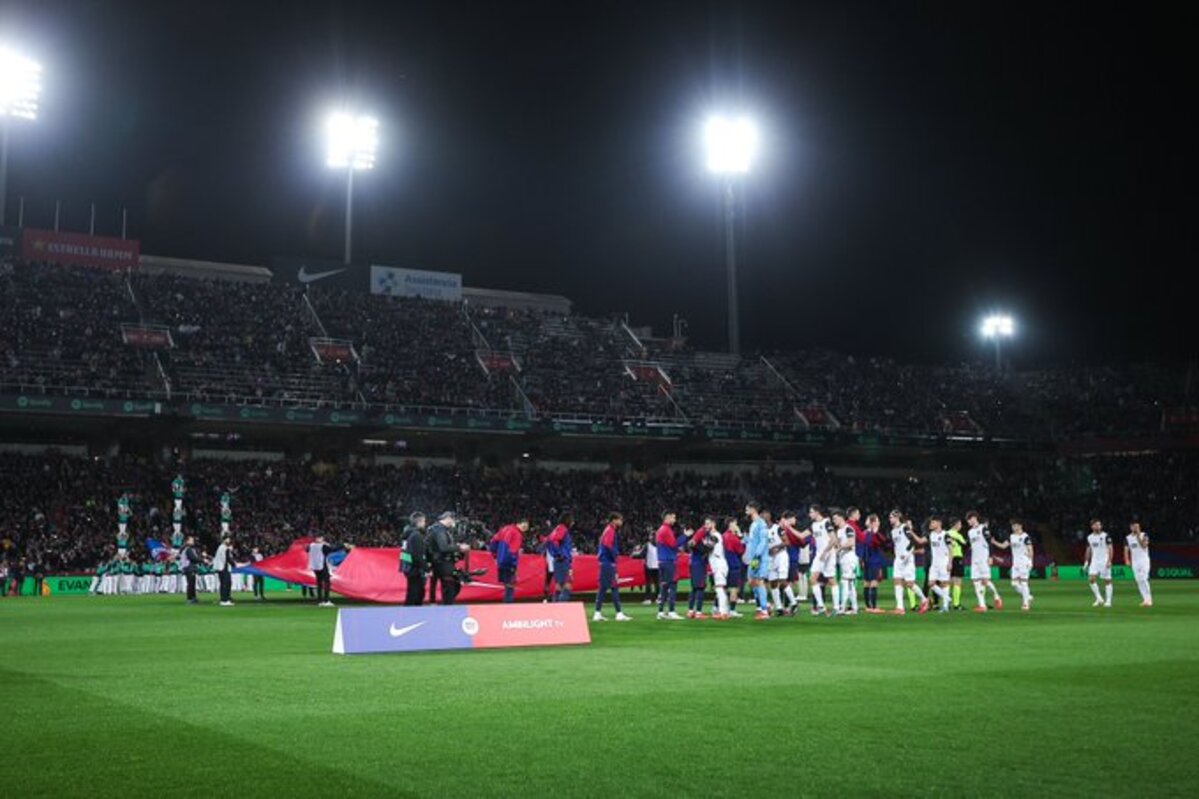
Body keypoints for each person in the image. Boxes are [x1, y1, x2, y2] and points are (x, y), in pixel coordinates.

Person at [889, 510, 930, 615]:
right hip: (898, 559)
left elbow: (912, 541)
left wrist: (906, 553)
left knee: (910, 584)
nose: (890, 519)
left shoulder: (904, 528)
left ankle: (924, 600)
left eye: (891, 517)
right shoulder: (893, 531)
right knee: (897, 581)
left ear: (897, 517)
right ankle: (900, 608)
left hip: (907, 559)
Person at [594, 512, 632, 621]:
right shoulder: (610, 530)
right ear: (614, 520)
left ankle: (597, 613)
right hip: (608, 563)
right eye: (620, 519)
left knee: (603, 588)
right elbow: (607, 544)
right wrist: (615, 555)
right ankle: (618, 613)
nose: (621, 521)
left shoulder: (608, 530)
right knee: (614, 587)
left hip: (605, 563)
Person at [990, 520, 1034, 611]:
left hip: (1024, 562)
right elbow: (1003, 546)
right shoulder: (1011, 536)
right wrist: (994, 542)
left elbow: (1030, 549)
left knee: (1024, 583)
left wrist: (1030, 561)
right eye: (1012, 526)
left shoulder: (1025, 536)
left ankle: (1025, 603)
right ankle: (1028, 596)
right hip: (1015, 563)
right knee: (1014, 584)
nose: (1013, 527)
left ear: (1020, 526)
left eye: (1015, 525)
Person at [427, 511, 468, 606]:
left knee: (447, 587)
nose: (454, 522)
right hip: (443, 564)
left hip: (438, 562)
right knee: (450, 588)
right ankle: (447, 609)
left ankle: (439, 604)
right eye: (453, 520)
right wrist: (459, 547)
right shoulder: (439, 530)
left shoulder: (436, 529)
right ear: (448, 518)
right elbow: (443, 547)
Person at [966, 511, 1003, 612]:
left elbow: (989, 543)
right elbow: (970, 546)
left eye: (969, 519)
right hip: (975, 559)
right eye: (967, 520)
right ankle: (982, 605)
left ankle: (997, 597)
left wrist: (991, 557)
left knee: (985, 581)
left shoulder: (983, 528)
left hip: (984, 558)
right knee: (976, 582)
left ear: (974, 518)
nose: (968, 521)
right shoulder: (970, 532)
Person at [489, 516, 527, 604]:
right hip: (509, 562)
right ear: (520, 523)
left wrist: (495, 556)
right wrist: (514, 564)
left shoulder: (505, 529)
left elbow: (493, 542)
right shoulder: (517, 534)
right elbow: (513, 550)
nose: (526, 528)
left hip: (501, 562)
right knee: (510, 586)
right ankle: (508, 609)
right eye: (525, 525)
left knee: (507, 585)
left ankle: (505, 607)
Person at [655, 511, 685, 620]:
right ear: (667, 518)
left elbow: (670, 546)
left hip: (662, 561)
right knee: (672, 586)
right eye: (673, 517)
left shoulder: (660, 530)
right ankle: (672, 611)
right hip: (669, 562)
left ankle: (661, 611)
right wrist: (685, 536)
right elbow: (674, 544)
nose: (675, 519)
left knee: (664, 587)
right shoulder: (666, 530)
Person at [808, 505, 837, 617]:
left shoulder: (826, 523)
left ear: (817, 512)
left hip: (828, 553)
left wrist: (825, 552)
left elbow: (833, 539)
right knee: (812, 579)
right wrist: (788, 527)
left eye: (811, 512)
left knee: (831, 580)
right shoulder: (813, 525)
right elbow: (801, 535)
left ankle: (836, 608)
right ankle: (821, 606)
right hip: (819, 554)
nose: (809, 514)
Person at [744, 503, 771, 620]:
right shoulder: (753, 524)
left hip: (760, 558)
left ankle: (764, 610)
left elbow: (763, 541)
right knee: (751, 581)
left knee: (760, 581)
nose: (745, 511)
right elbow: (751, 541)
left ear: (753, 509)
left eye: (747, 509)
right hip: (752, 558)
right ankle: (764, 605)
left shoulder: (761, 523)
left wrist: (757, 555)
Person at [832, 509, 860, 615]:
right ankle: (854, 608)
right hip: (843, 559)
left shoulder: (848, 529)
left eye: (835, 518)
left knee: (844, 582)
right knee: (850, 584)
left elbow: (851, 542)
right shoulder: (839, 531)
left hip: (849, 558)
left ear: (841, 518)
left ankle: (842, 608)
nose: (833, 521)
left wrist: (839, 547)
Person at [686, 517, 714, 619]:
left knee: (694, 588)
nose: (708, 525)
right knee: (700, 587)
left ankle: (690, 611)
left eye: (709, 523)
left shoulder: (706, 534)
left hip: (695, 563)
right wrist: (697, 546)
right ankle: (698, 612)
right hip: (698, 563)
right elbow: (692, 543)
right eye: (707, 523)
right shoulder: (702, 531)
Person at [925, 516, 953, 613]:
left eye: (933, 523)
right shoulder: (931, 535)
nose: (931, 524)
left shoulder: (946, 535)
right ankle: (947, 598)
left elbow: (950, 549)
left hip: (944, 562)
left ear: (939, 523)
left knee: (944, 584)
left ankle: (945, 606)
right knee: (931, 584)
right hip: (934, 563)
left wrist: (950, 562)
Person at [862, 513, 888, 613]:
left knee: (866, 583)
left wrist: (862, 560)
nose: (879, 522)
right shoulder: (874, 534)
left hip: (867, 561)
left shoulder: (864, 533)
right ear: (873, 523)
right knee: (873, 583)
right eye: (877, 521)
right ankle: (874, 607)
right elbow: (883, 543)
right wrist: (876, 533)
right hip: (874, 561)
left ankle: (868, 606)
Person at [1084, 518, 1113, 608]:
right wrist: (1086, 561)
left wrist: (1109, 561)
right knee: (1091, 579)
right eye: (1096, 525)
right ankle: (1099, 598)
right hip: (1095, 561)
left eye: (1099, 525)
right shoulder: (1089, 537)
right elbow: (1088, 550)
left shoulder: (1106, 536)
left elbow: (1111, 548)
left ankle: (1108, 601)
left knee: (1107, 580)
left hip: (1104, 560)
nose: (1098, 526)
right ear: (1092, 526)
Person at [401, 512, 428, 606]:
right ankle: (411, 616)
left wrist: (406, 565)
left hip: (408, 568)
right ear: (419, 522)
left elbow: (404, 553)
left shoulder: (407, 534)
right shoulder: (416, 535)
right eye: (424, 521)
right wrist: (426, 568)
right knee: (416, 595)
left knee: (412, 594)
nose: (425, 523)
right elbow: (417, 556)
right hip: (415, 570)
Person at [307, 534, 342, 608]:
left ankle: (320, 601)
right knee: (327, 582)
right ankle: (326, 600)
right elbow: (332, 549)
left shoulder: (311, 545)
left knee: (319, 583)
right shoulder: (322, 546)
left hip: (314, 566)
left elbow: (307, 550)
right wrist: (343, 546)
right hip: (322, 565)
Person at [547, 513, 575, 602]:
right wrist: (559, 554)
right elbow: (554, 540)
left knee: (559, 585)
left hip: (559, 561)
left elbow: (550, 540)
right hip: (562, 561)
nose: (573, 523)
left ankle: (555, 608)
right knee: (567, 585)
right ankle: (560, 608)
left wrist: (556, 554)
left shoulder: (558, 528)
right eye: (571, 520)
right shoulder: (562, 529)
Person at [706, 519, 731, 620]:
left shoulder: (715, 535)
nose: (706, 526)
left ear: (714, 523)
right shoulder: (714, 535)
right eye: (705, 524)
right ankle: (725, 610)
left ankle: (723, 612)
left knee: (719, 588)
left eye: (708, 523)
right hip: (718, 563)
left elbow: (707, 547)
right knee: (720, 589)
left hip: (718, 563)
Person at [1124, 520, 1152, 608]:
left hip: (1144, 560)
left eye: (1137, 527)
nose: (1136, 528)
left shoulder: (1144, 535)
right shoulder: (1127, 538)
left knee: (1143, 578)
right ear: (1131, 527)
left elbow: (1144, 546)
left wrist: (1138, 536)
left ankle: (1149, 599)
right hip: (1135, 562)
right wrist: (1127, 560)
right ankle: (1145, 599)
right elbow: (1126, 550)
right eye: (1134, 527)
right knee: (1138, 580)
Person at [722, 519, 746, 617]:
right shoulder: (732, 537)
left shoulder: (723, 535)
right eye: (735, 523)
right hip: (733, 565)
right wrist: (740, 536)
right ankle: (732, 610)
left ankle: (718, 607)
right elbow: (741, 550)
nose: (736, 525)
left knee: (723, 587)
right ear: (730, 524)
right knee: (734, 588)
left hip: (724, 565)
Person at [946, 517, 967, 610]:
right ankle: (956, 604)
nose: (961, 526)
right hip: (957, 558)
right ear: (956, 524)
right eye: (960, 524)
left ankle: (946, 603)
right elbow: (965, 545)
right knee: (957, 581)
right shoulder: (957, 535)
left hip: (948, 558)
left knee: (948, 582)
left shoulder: (946, 534)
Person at [213, 535, 235, 606]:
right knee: (226, 583)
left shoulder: (221, 547)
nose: (229, 541)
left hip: (222, 568)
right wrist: (234, 565)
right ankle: (224, 600)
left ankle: (225, 598)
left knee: (225, 583)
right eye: (227, 539)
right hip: (223, 568)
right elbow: (228, 558)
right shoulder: (224, 548)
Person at [179, 536, 200, 605]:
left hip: (187, 568)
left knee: (192, 583)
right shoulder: (188, 549)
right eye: (191, 540)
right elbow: (193, 558)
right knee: (191, 583)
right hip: (189, 568)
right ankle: (190, 598)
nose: (193, 541)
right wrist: (202, 560)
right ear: (187, 541)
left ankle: (193, 597)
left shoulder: (185, 549)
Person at [642, 528, 660, 604]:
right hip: (657, 566)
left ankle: (648, 599)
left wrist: (633, 554)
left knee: (648, 583)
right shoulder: (660, 545)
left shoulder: (647, 545)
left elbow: (641, 554)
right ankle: (658, 598)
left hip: (649, 566)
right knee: (657, 583)